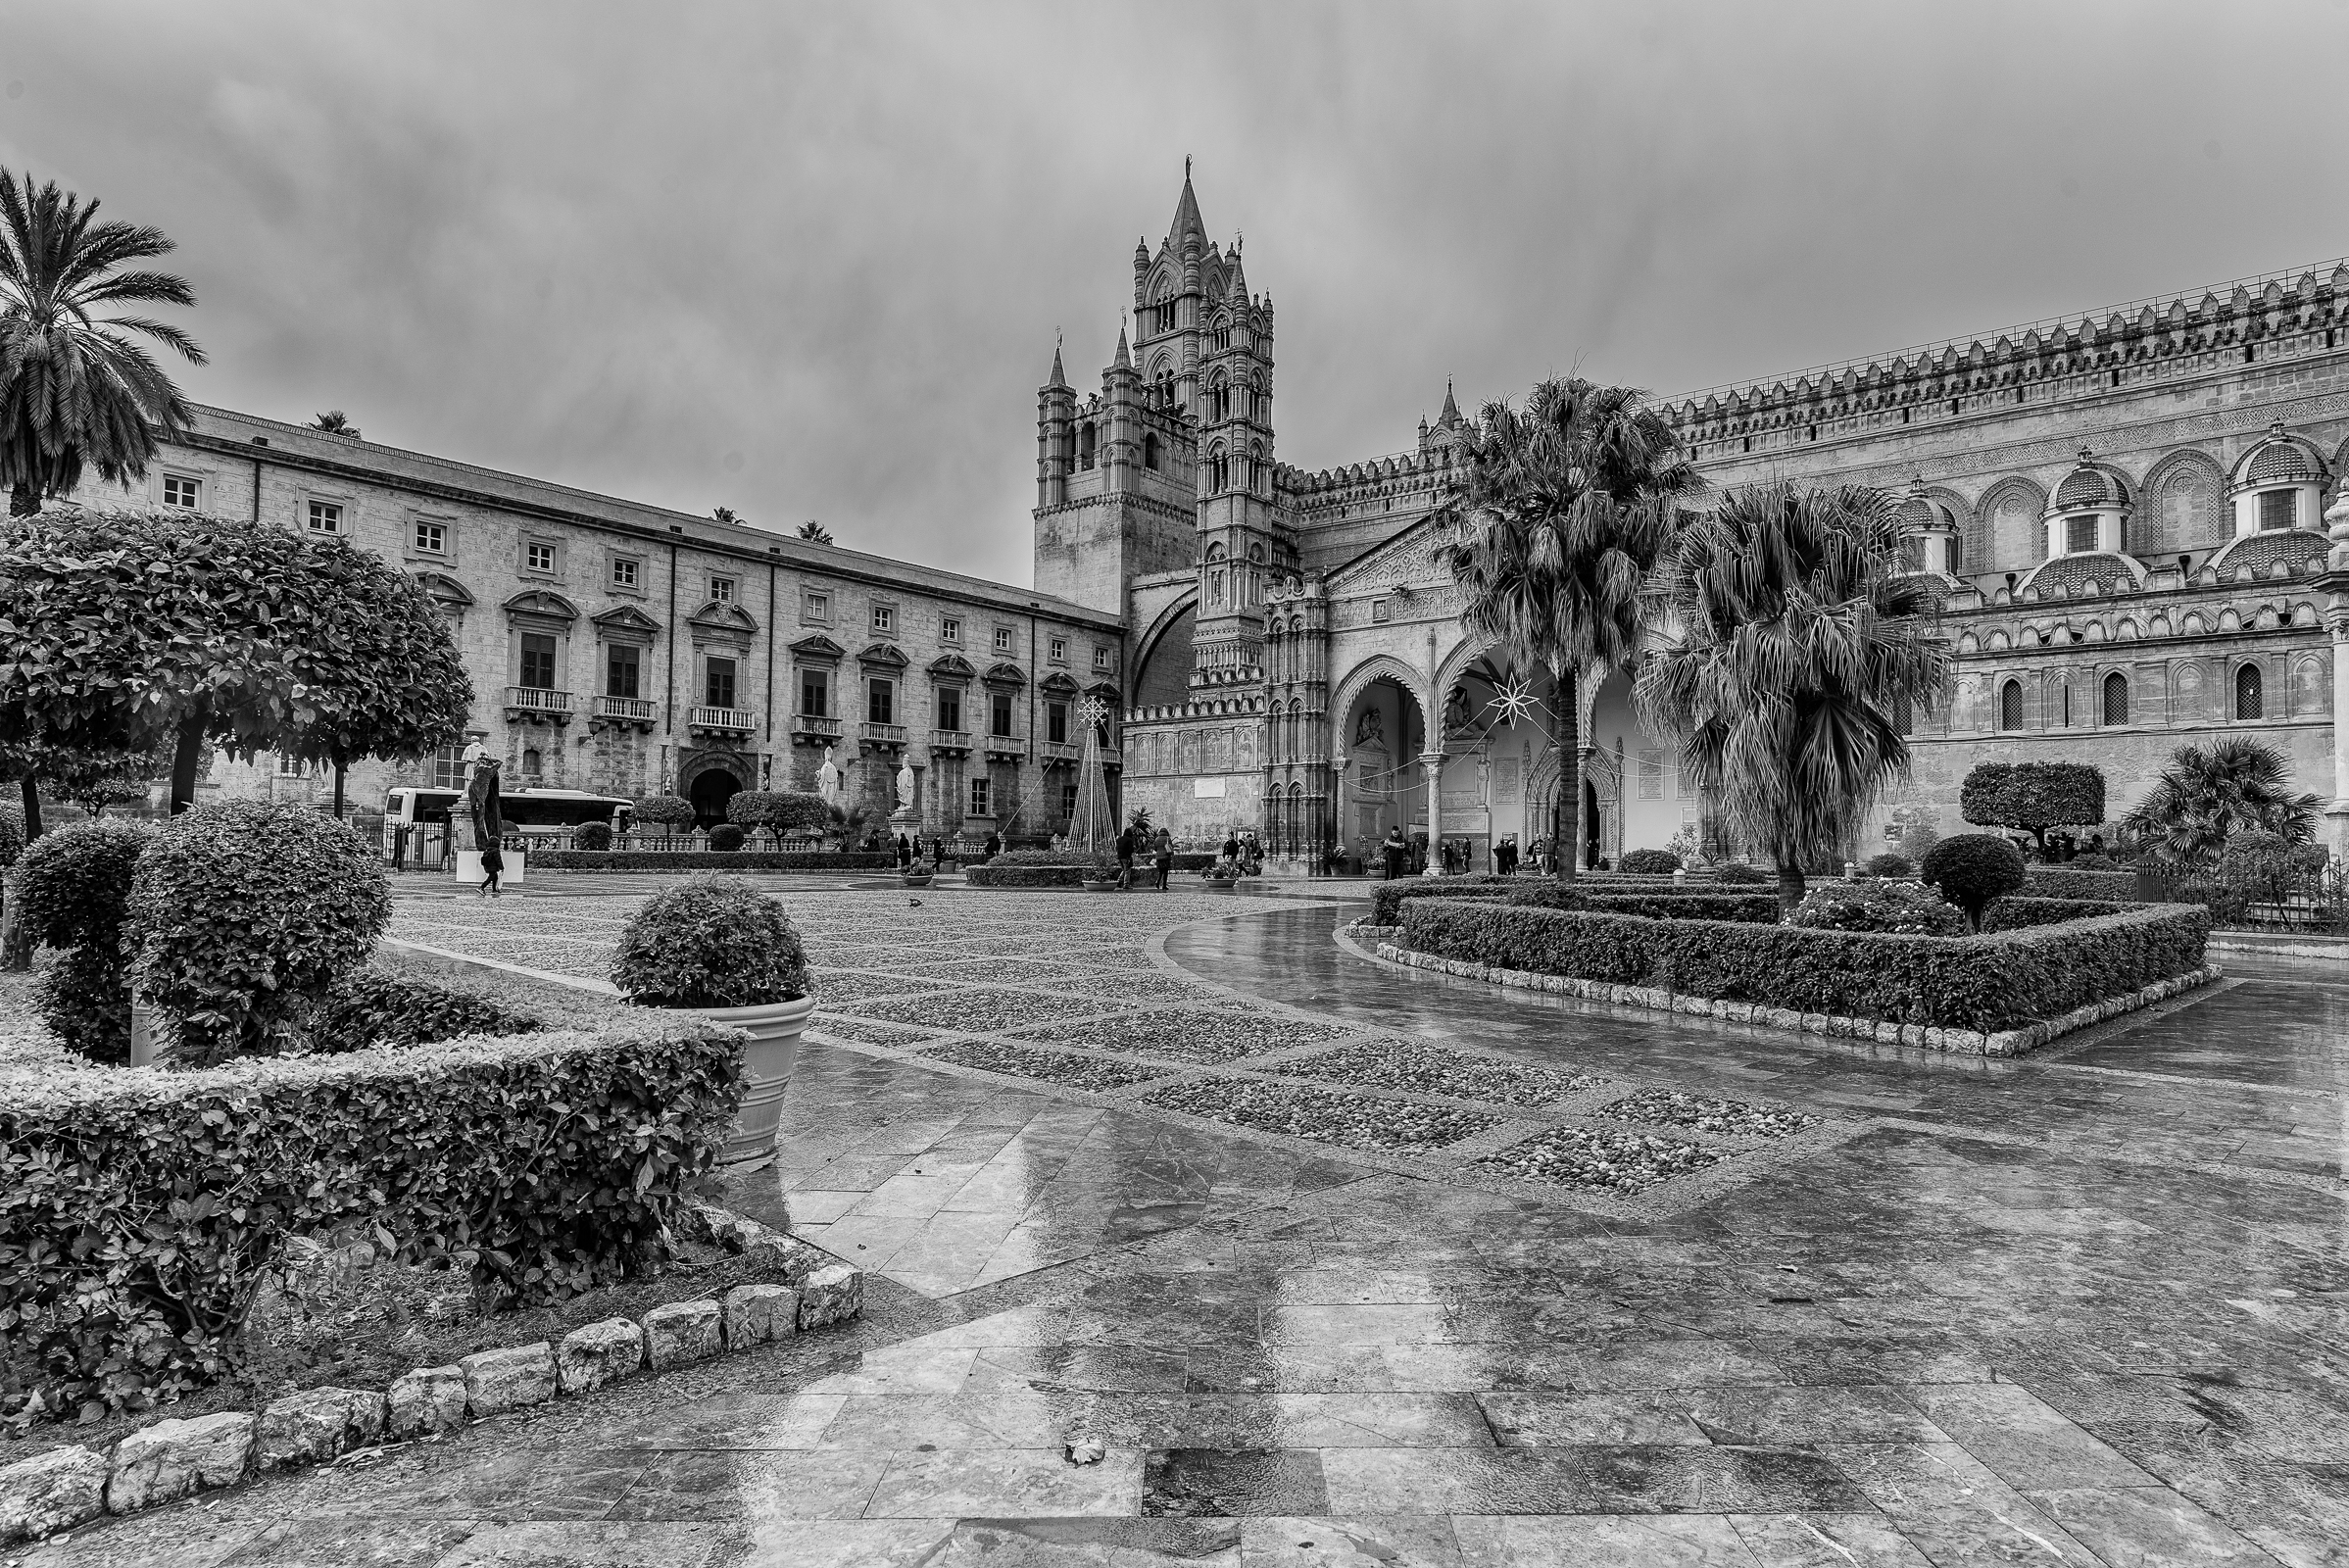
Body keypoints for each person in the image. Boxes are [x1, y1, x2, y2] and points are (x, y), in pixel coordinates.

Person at [1115, 824, 1136, 890]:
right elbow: (1130, 849)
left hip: (1120, 857)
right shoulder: (1129, 840)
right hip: (1126, 857)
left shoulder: (1119, 839)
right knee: (1127, 870)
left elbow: (1116, 848)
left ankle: (1118, 881)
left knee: (1124, 869)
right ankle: (1126, 884)